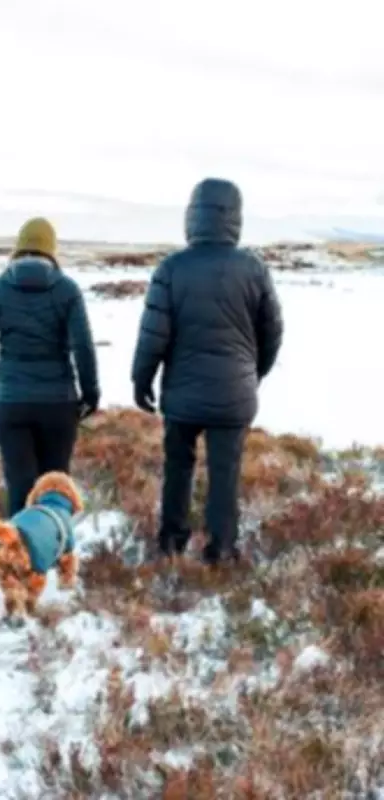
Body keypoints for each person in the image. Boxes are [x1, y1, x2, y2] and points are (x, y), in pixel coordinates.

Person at [130, 178, 284, 565]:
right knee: (225, 474)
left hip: (182, 394)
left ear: (192, 216)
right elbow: (273, 331)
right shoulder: (254, 269)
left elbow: (153, 335)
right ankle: (221, 549)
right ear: (235, 218)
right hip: (234, 394)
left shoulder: (172, 268)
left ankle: (171, 543)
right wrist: (253, 373)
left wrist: (141, 379)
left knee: (178, 468)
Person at [0, 217, 100, 517]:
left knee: (20, 486)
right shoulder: (67, 290)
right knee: (55, 487)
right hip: (59, 404)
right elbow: (83, 346)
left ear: (19, 248)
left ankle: (18, 555)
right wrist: (91, 392)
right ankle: (53, 552)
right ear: (51, 250)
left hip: (11, 403)